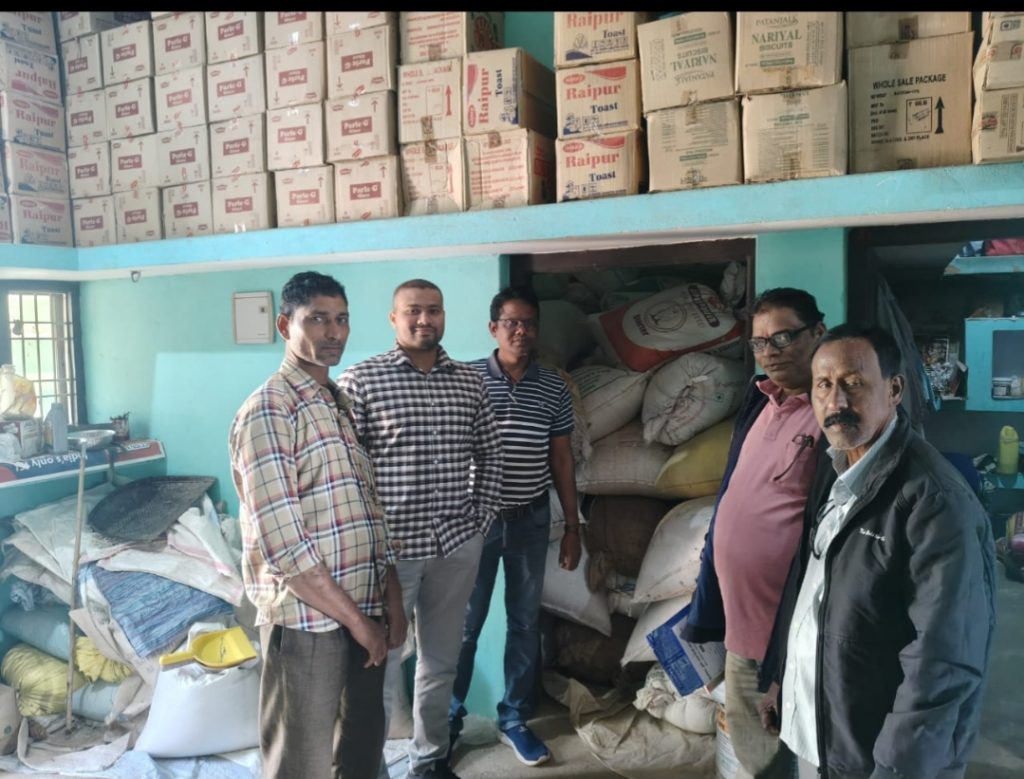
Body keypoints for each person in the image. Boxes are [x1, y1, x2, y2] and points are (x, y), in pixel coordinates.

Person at [765, 324, 995, 779]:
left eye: (854, 383)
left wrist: (895, 768)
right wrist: (782, 678)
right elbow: (811, 590)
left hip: (876, 759)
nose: (836, 402)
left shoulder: (934, 500)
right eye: (823, 385)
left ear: (894, 390)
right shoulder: (835, 468)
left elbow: (944, 659)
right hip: (820, 735)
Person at [228, 271, 406, 779]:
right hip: (309, 623)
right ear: (286, 325)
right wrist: (359, 624)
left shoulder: (335, 403)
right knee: (301, 761)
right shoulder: (269, 410)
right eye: (318, 319)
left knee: (361, 750)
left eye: (342, 319)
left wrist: (390, 598)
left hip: (364, 607)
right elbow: (286, 547)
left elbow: (368, 511)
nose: (333, 332)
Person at [338, 279, 503, 779]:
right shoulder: (361, 381)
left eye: (434, 310)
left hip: (455, 546)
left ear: (445, 315)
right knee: (381, 665)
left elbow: (490, 454)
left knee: (441, 660)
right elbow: (346, 470)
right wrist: (370, 543)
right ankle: (372, 768)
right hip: (390, 555)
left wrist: (479, 523)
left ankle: (429, 760)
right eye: (413, 311)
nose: (424, 320)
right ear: (394, 318)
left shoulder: (470, 382)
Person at [680, 288, 827, 778]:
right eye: (760, 342)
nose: (770, 351)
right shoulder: (760, 402)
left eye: (783, 337)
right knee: (755, 751)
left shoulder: (830, 415)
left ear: (818, 333)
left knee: (782, 756)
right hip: (740, 626)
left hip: (785, 635)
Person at [448, 286, 583, 767]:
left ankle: (514, 720)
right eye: (511, 323)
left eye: (529, 323)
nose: (521, 331)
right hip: (475, 523)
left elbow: (561, 458)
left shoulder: (553, 387)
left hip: (530, 518)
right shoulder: (465, 380)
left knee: (525, 623)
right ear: (493, 328)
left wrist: (573, 526)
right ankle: (448, 719)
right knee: (464, 625)